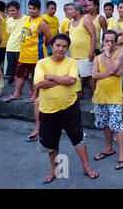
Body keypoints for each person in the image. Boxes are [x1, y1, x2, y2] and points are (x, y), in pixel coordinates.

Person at [34, 33, 98, 183]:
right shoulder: (42, 63)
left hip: (70, 108)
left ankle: (86, 167)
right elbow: (39, 84)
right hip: (48, 110)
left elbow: (72, 80)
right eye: (57, 45)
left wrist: (51, 77)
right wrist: (63, 79)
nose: (60, 49)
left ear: (67, 48)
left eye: (64, 46)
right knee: (51, 143)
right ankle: (55, 170)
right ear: (51, 46)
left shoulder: (71, 62)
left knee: (78, 139)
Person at [92, 30, 123, 170]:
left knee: (117, 125)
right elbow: (95, 74)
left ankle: (121, 155)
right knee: (105, 124)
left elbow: (117, 71)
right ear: (102, 40)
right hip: (100, 96)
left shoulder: (119, 54)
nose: (109, 43)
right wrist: (110, 72)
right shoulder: (97, 58)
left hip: (114, 96)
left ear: (115, 42)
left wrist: (107, 55)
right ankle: (108, 149)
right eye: (106, 40)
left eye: (112, 41)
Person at [4, 0, 52, 103]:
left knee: (37, 75)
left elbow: (49, 38)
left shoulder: (42, 22)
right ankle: (17, 93)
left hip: (37, 54)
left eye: (34, 9)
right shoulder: (27, 19)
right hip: (24, 54)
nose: (31, 11)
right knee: (20, 74)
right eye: (29, 8)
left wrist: (41, 46)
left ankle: (35, 94)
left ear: (39, 10)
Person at [67, 2, 96, 97]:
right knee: (78, 76)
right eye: (68, 9)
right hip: (74, 54)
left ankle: (96, 95)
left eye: (71, 9)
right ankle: (80, 95)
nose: (69, 11)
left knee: (89, 76)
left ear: (78, 11)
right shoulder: (70, 23)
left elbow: (93, 35)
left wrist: (92, 51)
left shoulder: (86, 20)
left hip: (85, 54)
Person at [5, 1, 28, 85]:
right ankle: (17, 90)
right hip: (11, 47)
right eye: (9, 11)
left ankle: (26, 90)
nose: (10, 12)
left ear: (18, 10)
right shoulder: (8, 21)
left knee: (22, 70)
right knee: (13, 71)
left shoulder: (26, 18)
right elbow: (10, 33)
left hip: (22, 48)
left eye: (13, 10)